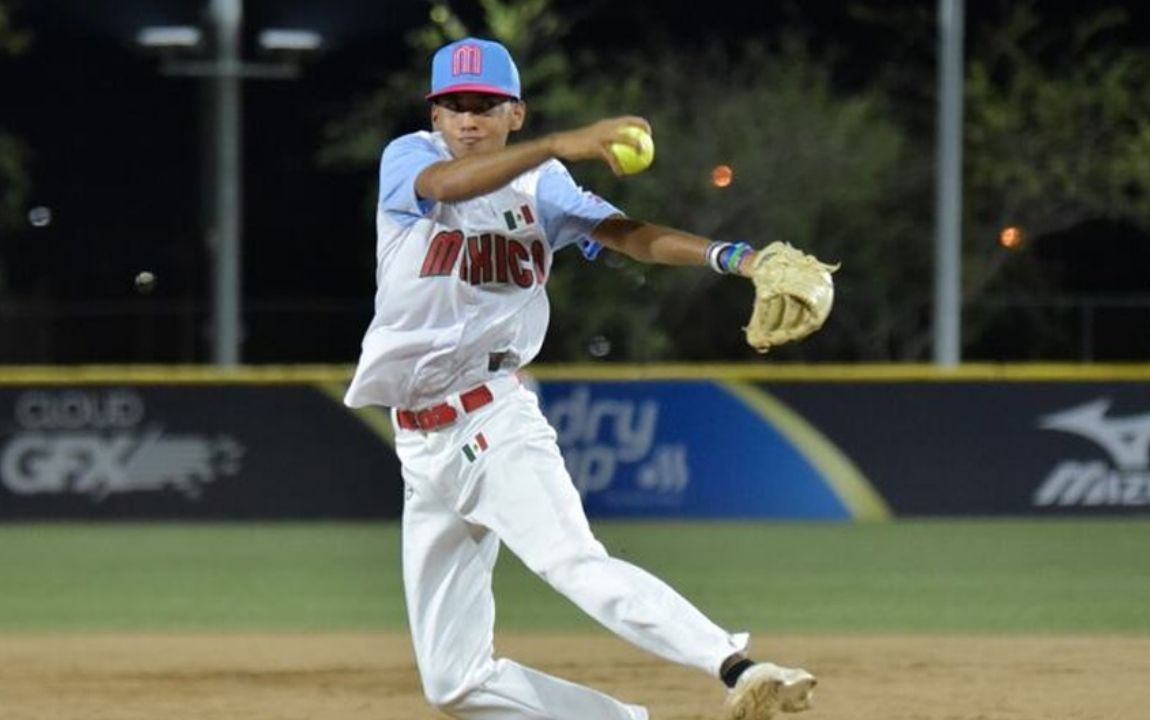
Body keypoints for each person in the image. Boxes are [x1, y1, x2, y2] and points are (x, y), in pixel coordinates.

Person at [343, 36, 817, 720]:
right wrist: (564, 142)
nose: (467, 119)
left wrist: (734, 258)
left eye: (485, 104)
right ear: (435, 115)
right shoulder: (413, 158)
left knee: (572, 562)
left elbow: (627, 233)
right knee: (454, 682)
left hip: (492, 420)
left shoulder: (543, 188)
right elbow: (449, 188)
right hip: (420, 448)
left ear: (516, 113)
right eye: (453, 105)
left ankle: (740, 667)